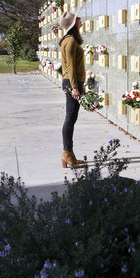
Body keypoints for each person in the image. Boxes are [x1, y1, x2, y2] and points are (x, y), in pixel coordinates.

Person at [54, 11, 86, 168]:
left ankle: (68, 154)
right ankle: (67, 153)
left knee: (71, 118)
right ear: (73, 24)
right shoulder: (71, 41)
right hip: (72, 83)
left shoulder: (68, 40)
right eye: (78, 18)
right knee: (70, 119)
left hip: (72, 82)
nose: (80, 20)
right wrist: (75, 87)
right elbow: (71, 67)